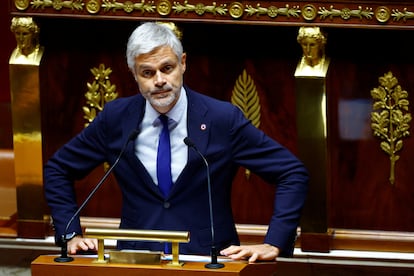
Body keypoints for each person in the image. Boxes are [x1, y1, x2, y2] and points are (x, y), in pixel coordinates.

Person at [44, 21, 309, 263]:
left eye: (167, 68)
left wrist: (275, 241)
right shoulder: (116, 118)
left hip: (212, 260)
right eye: (147, 72)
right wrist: (70, 234)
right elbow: (58, 169)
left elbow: (291, 171)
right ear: (133, 74)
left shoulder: (221, 119)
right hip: (136, 260)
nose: (159, 81)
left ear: (183, 63)